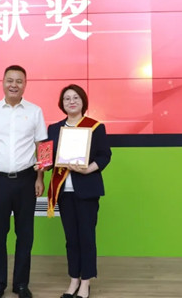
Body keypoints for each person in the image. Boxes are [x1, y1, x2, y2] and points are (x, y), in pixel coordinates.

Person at [0, 65, 47, 298]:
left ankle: (21, 284)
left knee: (25, 235)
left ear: (25, 84)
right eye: (10, 80)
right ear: (3, 82)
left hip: (26, 180)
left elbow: (42, 146)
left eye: (19, 81)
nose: (14, 84)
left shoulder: (35, 111)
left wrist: (40, 178)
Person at [46, 84, 112, 298]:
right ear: (61, 104)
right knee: (71, 238)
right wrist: (42, 164)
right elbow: (48, 157)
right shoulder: (54, 129)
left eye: (76, 97)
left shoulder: (95, 127)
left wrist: (88, 169)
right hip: (64, 192)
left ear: (83, 101)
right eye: (67, 98)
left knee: (86, 237)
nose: (71, 101)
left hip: (87, 190)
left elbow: (105, 155)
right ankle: (73, 279)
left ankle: (86, 282)